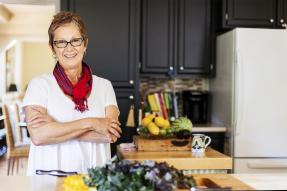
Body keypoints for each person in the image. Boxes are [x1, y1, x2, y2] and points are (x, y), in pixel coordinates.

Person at [22, 11, 121, 176]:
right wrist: (92, 122)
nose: (69, 48)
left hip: (95, 178)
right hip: (49, 179)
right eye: (61, 42)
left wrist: (55, 126)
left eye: (75, 40)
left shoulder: (104, 86)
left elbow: (110, 135)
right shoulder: (39, 85)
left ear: (85, 43)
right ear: (52, 47)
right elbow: (38, 136)